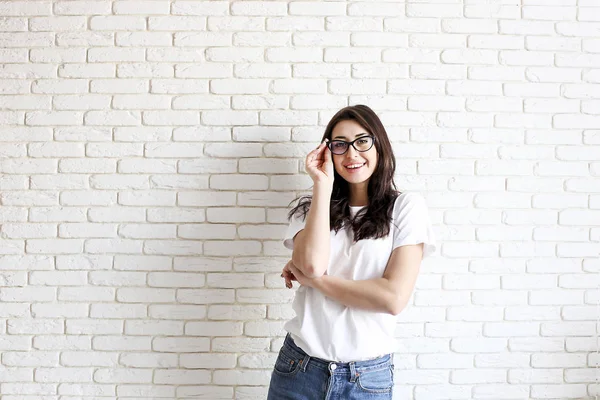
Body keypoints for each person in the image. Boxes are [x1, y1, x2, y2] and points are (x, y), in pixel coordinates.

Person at [266, 105, 437, 400]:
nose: (352, 154)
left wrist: (312, 280)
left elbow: (392, 298)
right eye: (340, 145)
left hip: (367, 379)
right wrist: (322, 184)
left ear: (379, 145)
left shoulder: (406, 208)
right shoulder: (309, 209)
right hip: (299, 369)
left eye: (362, 141)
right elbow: (312, 263)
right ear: (328, 152)